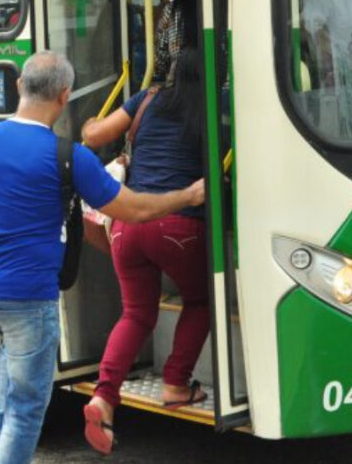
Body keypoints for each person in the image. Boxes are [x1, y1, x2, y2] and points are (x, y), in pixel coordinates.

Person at [0, 52, 205, 464]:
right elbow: (133, 210)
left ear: (19, 87)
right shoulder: (68, 156)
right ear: (65, 95)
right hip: (27, 297)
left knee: (10, 388)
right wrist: (188, 196)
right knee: (28, 408)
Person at [78, 48, 210, 454]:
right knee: (201, 301)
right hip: (179, 223)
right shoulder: (216, 102)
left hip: (127, 224)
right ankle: (175, 383)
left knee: (136, 313)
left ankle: (103, 396)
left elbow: (93, 136)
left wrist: (89, 122)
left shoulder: (147, 98)